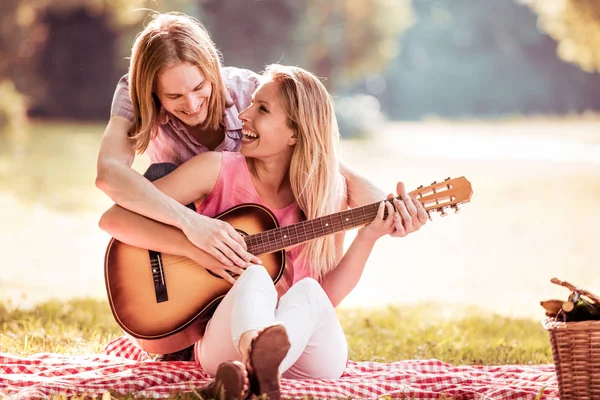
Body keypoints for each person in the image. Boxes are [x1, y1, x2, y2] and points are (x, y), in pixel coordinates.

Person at [100, 64, 427, 400]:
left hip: (308, 355)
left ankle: (249, 378)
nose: (243, 115)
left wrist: (368, 236)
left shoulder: (330, 196)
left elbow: (325, 301)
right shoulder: (217, 170)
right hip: (225, 346)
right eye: (251, 103)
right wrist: (192, 245)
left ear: (295, 134)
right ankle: (256, 358)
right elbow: (114, 218)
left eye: (262, 109)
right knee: (254, 277)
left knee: (311, 293)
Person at [95, 12, 425, 289]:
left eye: (199, 88)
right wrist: (191, 229)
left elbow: (325, 164)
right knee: (160, 176)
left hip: (243, 226)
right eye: (174, 97)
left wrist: (394, 213)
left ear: (211, 71)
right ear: (152, 93)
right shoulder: (134, 92)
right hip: (180, 226)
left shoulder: (252, 95)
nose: (193, 104)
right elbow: (110, 176)